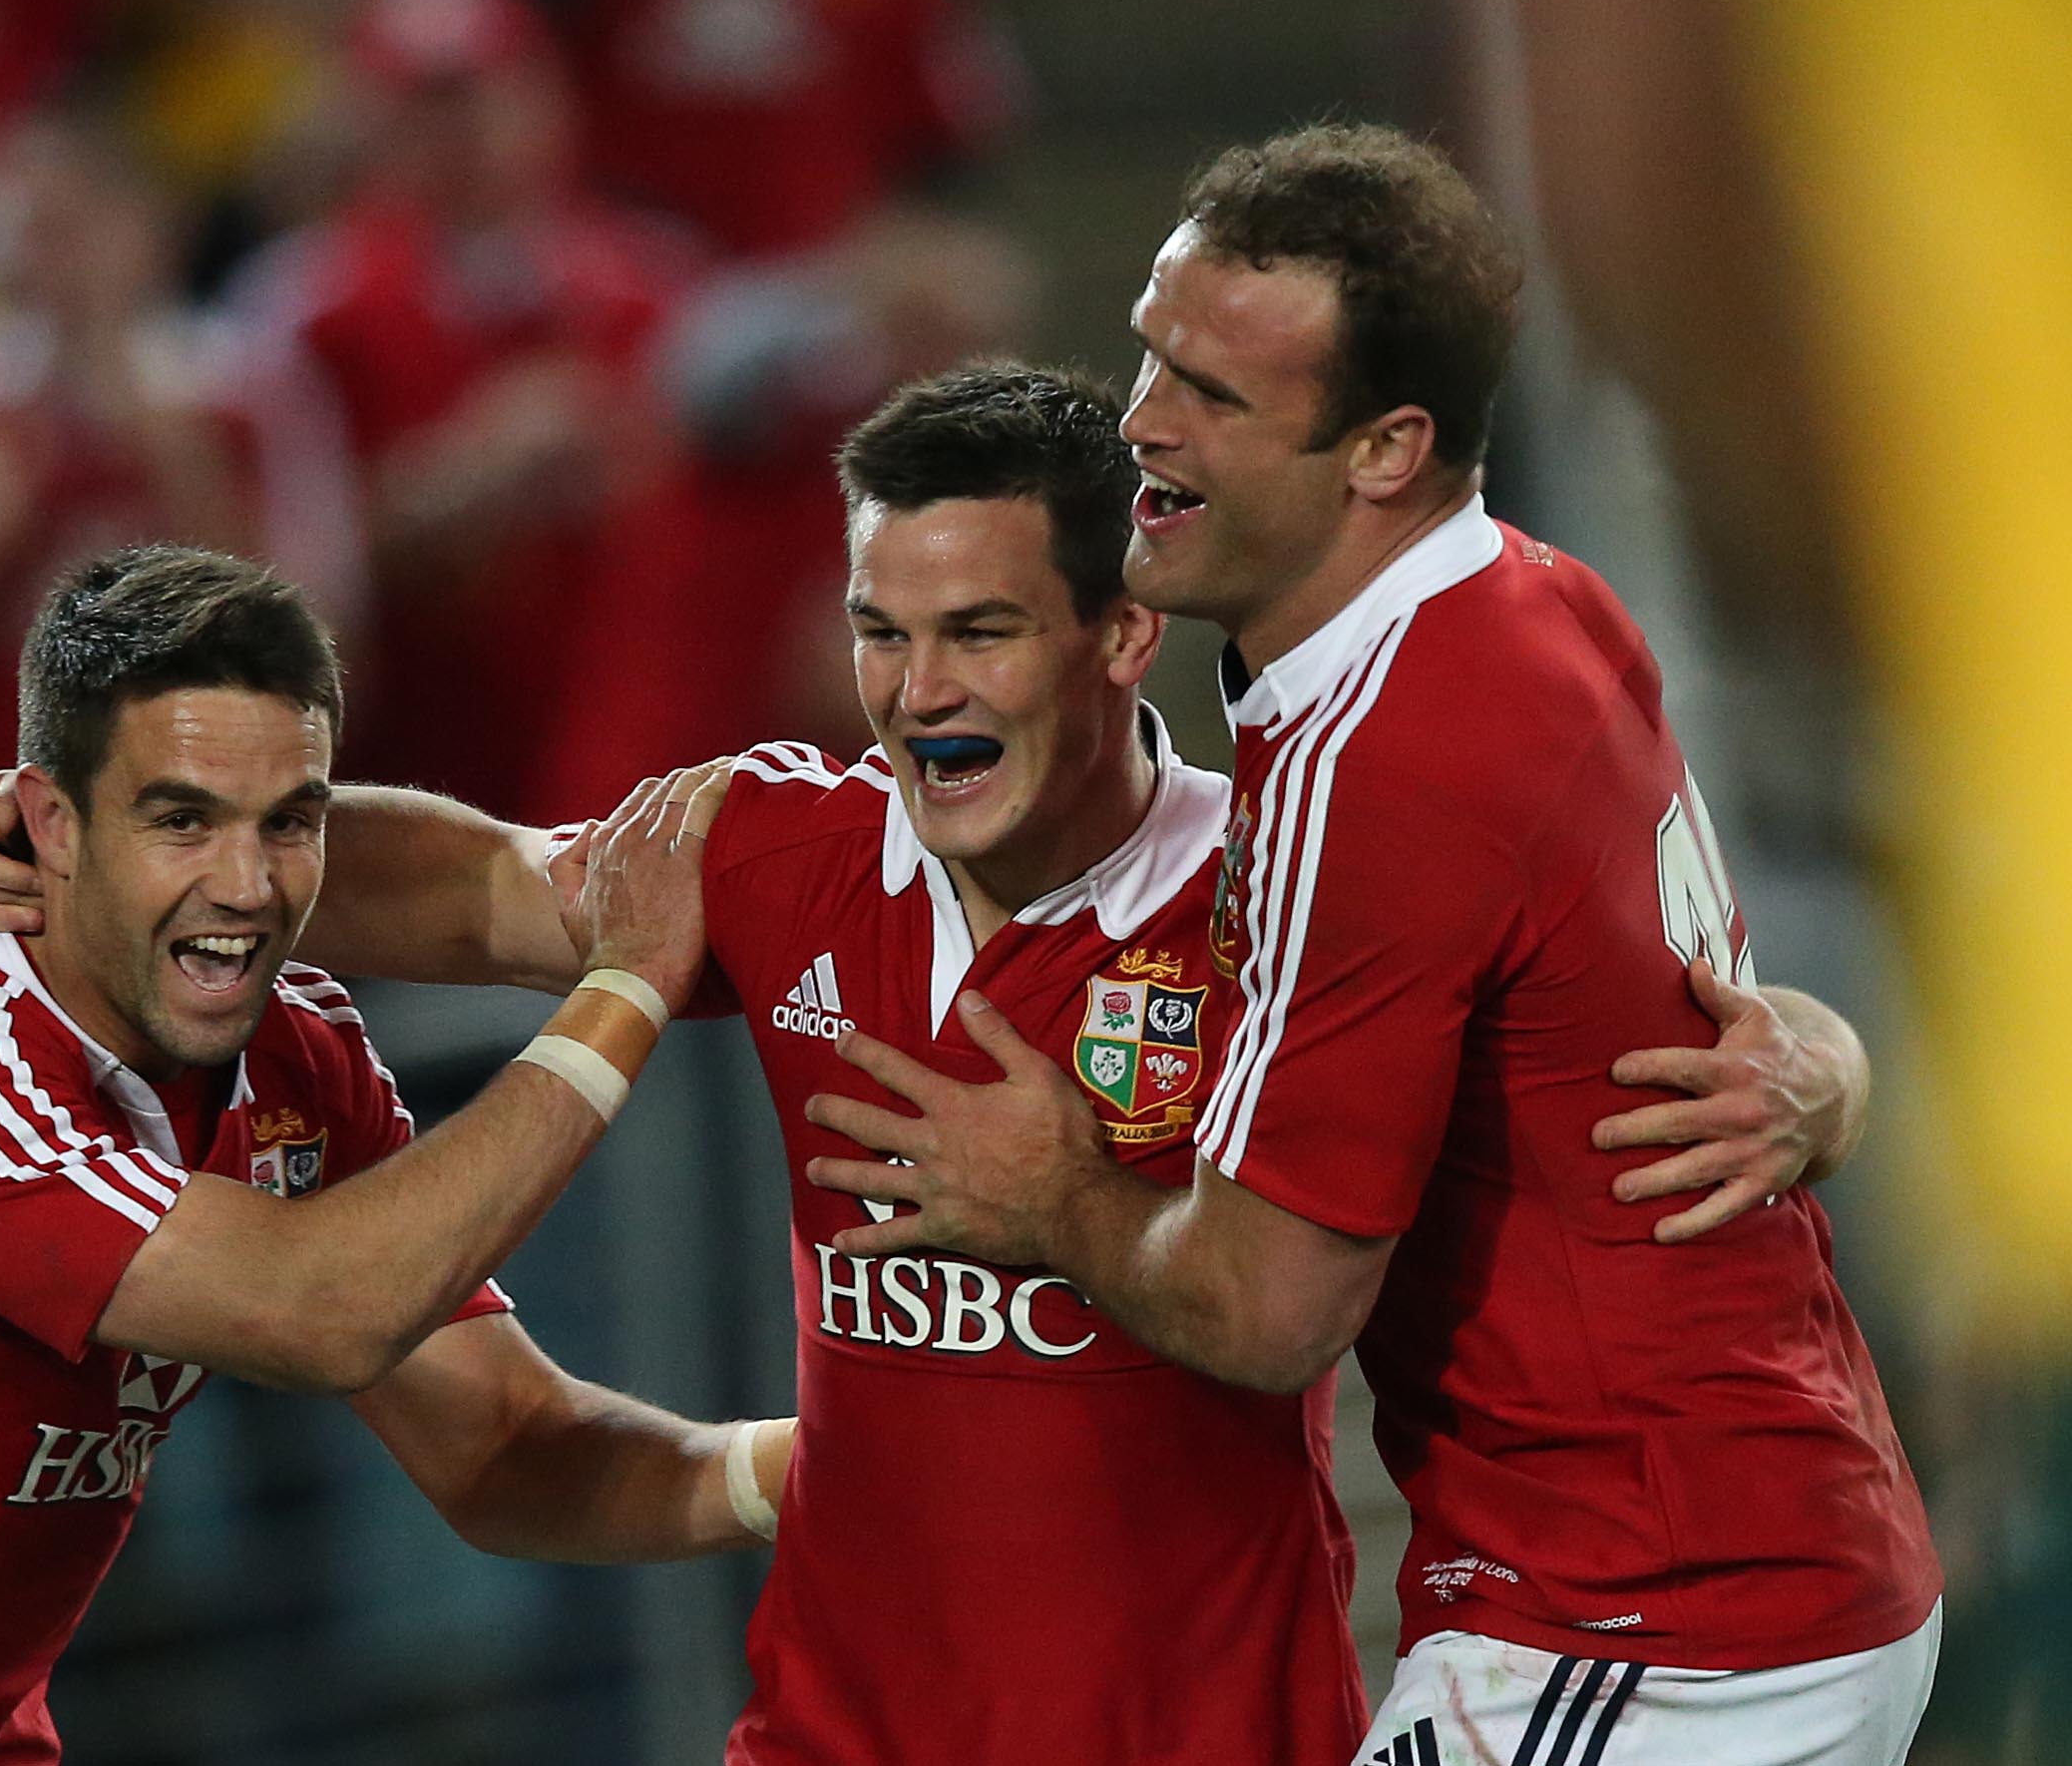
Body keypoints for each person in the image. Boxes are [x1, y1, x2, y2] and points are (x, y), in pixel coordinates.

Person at [0, 368, 1875, 1763]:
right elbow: (488, 890)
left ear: (1121, 633)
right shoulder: (775, 848)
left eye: (978, 632)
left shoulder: (1286, 894)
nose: (917, 691)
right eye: (881, 630)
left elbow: (1624, 1055)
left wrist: (1815, 1056)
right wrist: (139, 845)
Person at [797, 129, 1940, 1764]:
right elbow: (1655, 1009)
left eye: (1214, 395)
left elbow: (1271, 1307)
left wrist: (1044, 1187)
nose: (1142, 427)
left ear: (1386, 449)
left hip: (1654, 1623)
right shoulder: (1528, 600)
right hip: (1745, 1551)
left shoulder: (1389, 749)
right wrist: (1823, 1058)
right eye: (1149, 354)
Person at [0, 545, 790, 1765]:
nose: (245, 884)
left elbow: (506, 1448)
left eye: (287, 822)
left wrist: (828, 1464)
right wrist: (619, 995)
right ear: (46, 821)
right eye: (180, 819)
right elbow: (320, 1308)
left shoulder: (292, 1055)